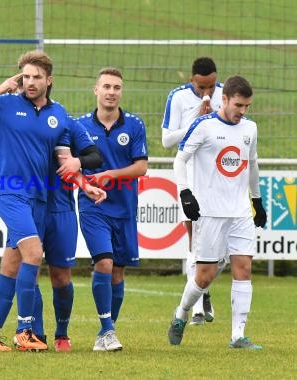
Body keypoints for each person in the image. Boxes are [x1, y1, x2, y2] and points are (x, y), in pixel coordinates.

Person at [0, 50, 105, 352]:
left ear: (49, 80)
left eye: (37, 77)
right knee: (34, 254)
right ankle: (25, 330)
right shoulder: (6, 104)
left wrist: (84, 184)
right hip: (10, 191)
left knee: (11, 265)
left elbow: (63, 158)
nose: (30, 81)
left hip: (38, 197)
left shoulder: (58, 115)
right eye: (26, 76)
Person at [167, 75, 266, 350]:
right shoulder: (204, 126)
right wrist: (185, 192)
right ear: (224, 99)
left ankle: (238, 336)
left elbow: (253, 165)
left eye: (247, 106)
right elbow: (180, 159)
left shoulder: (250, 129)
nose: (242, 111)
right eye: (238, 105)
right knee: (205, 276)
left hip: (240, 213)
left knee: (244, 268)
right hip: (210, 213)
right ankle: (181, 313)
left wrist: (256, 200)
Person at [77, 67, 148, 351]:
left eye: (116, 87)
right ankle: (107, 330)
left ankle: (106, 333)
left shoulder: (134, 125)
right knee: (103, 263)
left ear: (121, 92)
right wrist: (87, 184)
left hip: (125, 206)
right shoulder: (79, 125)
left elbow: (141, 166)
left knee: (118, 272)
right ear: (96, 90)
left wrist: (111, 176)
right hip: (93, 206)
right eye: (106, 86)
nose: (111, 92)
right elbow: (69, 164)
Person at [161, 57, 222, 325]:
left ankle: (203, 288)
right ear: (191, 81)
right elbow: (167, 140)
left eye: (211, 86)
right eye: (201, 87)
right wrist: (197, 122)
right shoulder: (178, 98)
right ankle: (196, 306)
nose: (207, 93)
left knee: (219, 246)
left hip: (218, 178)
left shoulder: (226, 94)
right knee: (193, 236)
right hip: (190, 177)